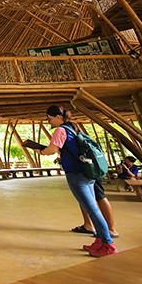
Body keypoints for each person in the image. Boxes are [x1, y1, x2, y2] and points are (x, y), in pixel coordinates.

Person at [36, 105, 117, 257]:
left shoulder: (61, 130)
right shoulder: (73, 127)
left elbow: (52, 149)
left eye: (50, 118)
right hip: (86, 172)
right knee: (92, 207)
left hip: (76, 174)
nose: (49, 122)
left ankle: (108, 244)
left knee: (91, 209)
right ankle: (100, 240)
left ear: (58, 117)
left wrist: (40, 150)